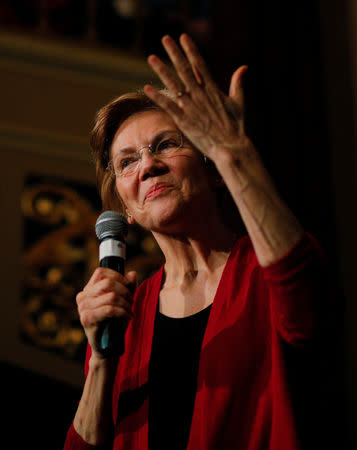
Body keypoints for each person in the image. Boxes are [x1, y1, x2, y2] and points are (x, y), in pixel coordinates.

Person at [64, 34, 332, 450]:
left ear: (210, 169)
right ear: (125, 208)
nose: (148, 166)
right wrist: (100, 361)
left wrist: (233, 153)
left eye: (167, 145)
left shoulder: (265, 272)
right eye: (127, 162)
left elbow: (304, 297)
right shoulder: (124, 315)